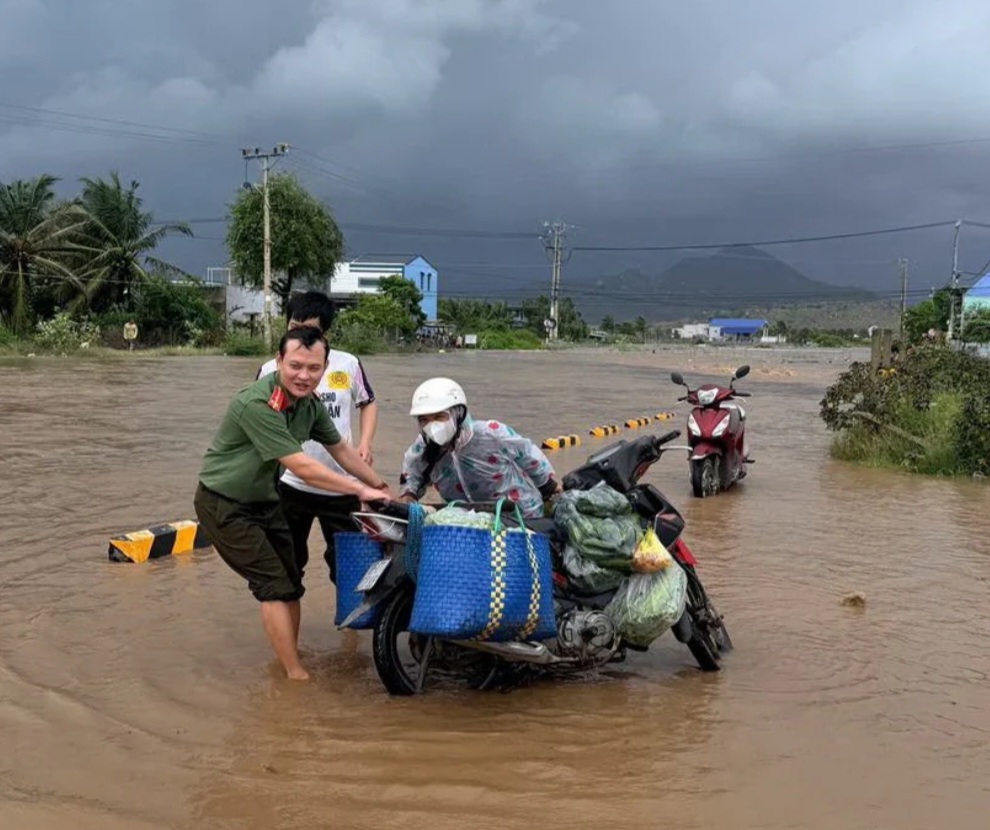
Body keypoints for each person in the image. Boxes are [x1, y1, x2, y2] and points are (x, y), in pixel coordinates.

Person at [194, 327, 390, 681]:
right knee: (274, 584)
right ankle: (295, 676)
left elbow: (341, 449)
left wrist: (379, 486)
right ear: (279, 362)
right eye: (295, 366)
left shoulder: (309, 406)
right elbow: (302, 467)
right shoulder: (256, 404)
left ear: (325, 367)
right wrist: (359, 490)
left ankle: (289, 657)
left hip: (265, 501)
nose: (304, 376)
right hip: (224, 505)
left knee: (290, 581)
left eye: (313, 368)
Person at [256, 291, 378, 584]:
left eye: (309, 331)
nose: (300, 338)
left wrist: (365, 443)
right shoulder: (271, 370)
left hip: (341, 485)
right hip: (289, 484)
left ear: (325, 333)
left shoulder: (347, 364)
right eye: (294, 328)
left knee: (349, 569)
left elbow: (367, 402)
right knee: (285, 566)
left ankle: (349, 615)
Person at [397, 377, 561, 520]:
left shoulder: (491, 433)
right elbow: (412, 474)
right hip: (467, 522)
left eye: (439, 417)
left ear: (458, 413)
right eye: (424, 420)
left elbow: (528, 454)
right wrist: (409, 494)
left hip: (519, 515)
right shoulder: (423, 447)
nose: (432, 425)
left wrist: (549, 487)